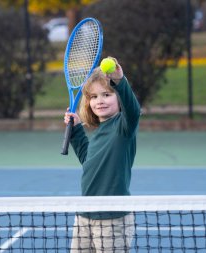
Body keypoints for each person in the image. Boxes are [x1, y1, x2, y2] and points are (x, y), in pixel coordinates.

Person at [64, 57, 140, 252]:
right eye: (94, 97)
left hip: (112, 219)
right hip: (84, 216)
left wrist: (119, 81)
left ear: (118, 97)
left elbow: (134, 111)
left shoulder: (124, 128)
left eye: (106, 94)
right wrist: (76, 130)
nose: (100, 101)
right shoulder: (98, 132)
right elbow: (88, 161)